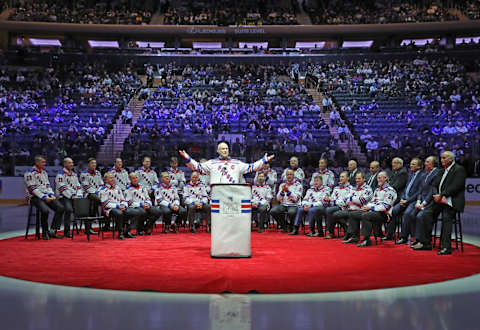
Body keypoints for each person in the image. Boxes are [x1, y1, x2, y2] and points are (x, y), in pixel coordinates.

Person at [414, 151, 466, 255]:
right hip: (439, 200)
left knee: (447, 218)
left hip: (452, 201)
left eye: (444, 158)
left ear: (451, 159)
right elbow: (434, 185)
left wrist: (441, 195)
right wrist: (436, 195)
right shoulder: (442, 171)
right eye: (441, 158)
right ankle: (426, 243)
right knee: (425, 213)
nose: (442, 160)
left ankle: (446, 247)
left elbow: (457, 186)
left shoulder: (459, 169)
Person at [179, 142, 274, 184]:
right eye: (222, 149)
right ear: (218, 151)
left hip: (232, 195)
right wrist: (188, 158)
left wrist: (264, 160)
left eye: (226, 149)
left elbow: (251, 167)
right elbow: (198, 167)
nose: (225, 150)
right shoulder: (212, 163)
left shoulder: (236, 163)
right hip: (217, 194)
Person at [24, 155, 65, 240]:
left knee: (60, 208)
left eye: (44, 162)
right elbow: (32, 189)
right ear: (37, 163)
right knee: (45, 211)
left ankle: (53, 230)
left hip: (46, 196)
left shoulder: (44, 173)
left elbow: (48, 186)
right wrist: (44, 197)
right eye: (43, 162)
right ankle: (44, 232)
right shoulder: (29, 173)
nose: (44, 163)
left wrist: (51, 194)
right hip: (34, 197)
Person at [406, 156, 440, 247]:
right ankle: (417, 239)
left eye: (428, 162)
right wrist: (418, 201)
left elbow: (432, 191)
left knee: (421, 216)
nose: (425, 163)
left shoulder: (437, 173)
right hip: (422, 201)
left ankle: (425, 242)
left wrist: (423, 203)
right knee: (412, 214)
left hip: (431, 202)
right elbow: (421, 190)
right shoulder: (425, 174)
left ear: (433, 164)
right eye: (425, 161)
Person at [357, 171, 397, 247]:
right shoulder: (377, 190)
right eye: (377, 178)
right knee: (356, 213)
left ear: (385, 178)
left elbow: (385, 207)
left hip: (385, 214)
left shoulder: (390, 191)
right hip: (374, 211)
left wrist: (371, 207)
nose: (378, 180)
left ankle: (366, 239)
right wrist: (366, 207)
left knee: (366, 215)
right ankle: (354, 236)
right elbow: (372, 201)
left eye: (379, 178)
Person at [99, 172, 140, 240]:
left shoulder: (117, 187)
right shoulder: (103, 190)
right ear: (106, 180)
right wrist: (118, 206)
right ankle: (120, 233)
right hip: (109, 209)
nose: (113, 179)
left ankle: (127, 231)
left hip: (121, 207)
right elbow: (106, 204)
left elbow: (123, 199)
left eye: (113, 177)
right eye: (110, 178)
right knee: (119, 213)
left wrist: (124, 205)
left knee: (136, 212)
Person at [394, 158, 425, 244]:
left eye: (413, 164)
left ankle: (404, 237)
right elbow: (405, 188)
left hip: (413, 200)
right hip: (405, 199)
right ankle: (390, 234)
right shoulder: (411, 174)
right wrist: (403, 198)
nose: (411, 165)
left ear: (419, 166)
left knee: (407, 214)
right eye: (411, 164)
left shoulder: (422, 176)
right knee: (393, 210)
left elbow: (419, 191)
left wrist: (407, 200)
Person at [55, 157, 84, 238]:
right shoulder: (60, 175)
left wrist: (79, 195)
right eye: (69, 163)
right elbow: (62, 189)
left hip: (74, 197)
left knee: (85, 206)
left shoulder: (74, 175)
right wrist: (72, 196)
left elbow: (78, 187)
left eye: (72, 163)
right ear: (65, 164)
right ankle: (66, 231)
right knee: (68, 209)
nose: (72, 164)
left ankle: (87, 228)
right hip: (63, 197)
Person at [341, 172, 374, 244]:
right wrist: (354, 199)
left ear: (364, 179)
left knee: (352, 214)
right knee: (340, 214)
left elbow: (362, 201)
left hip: (364, 210)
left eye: (359, 178)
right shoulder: (353, 188)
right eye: (356, 178)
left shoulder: (368, 189)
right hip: (352, 208)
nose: (357, 180)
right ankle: (353, 236)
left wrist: (351, 199)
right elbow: (345, 200)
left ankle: (363, 238)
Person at [384, 157, 408, 240]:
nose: (393, 164)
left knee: (392, 211)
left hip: (399, 197)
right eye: (392, 162)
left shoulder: (403, 173)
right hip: (391, 196)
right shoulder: (393, 172)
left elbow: (396, 186)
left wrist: (386, 189)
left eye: (395, 163)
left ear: (400, 164)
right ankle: (383, 232)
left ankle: (390, 234)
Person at [324, 171, 352, 239]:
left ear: (348, 178)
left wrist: (333, 200)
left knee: (329, 210)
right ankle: (345, 231)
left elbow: (345, 202)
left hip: (345, 208)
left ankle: (331, 232)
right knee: (329, 209)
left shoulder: (350, 188)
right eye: (340, 177)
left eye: (343, 177)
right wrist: (328, 199)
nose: (341, 178)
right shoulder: (336, 188)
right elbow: (332, 198)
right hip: (336, 206)